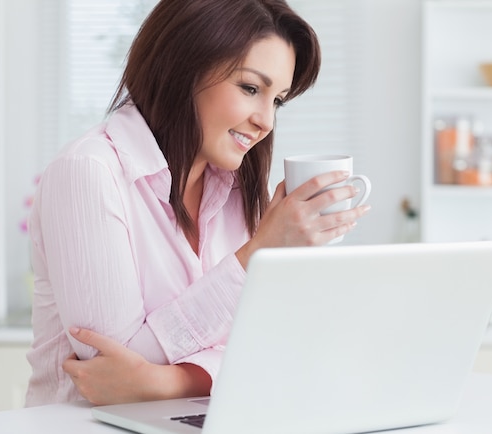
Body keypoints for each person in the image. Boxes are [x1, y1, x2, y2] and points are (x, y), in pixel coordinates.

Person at [25, 0, 370, 407]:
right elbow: (111, 374)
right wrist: (258, 254)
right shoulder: (87, 173)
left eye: (277, 100)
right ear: (181, 69)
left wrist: (170, 383)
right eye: (250, 88)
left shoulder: (236, 191)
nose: (267, 121)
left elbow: (275, 350)